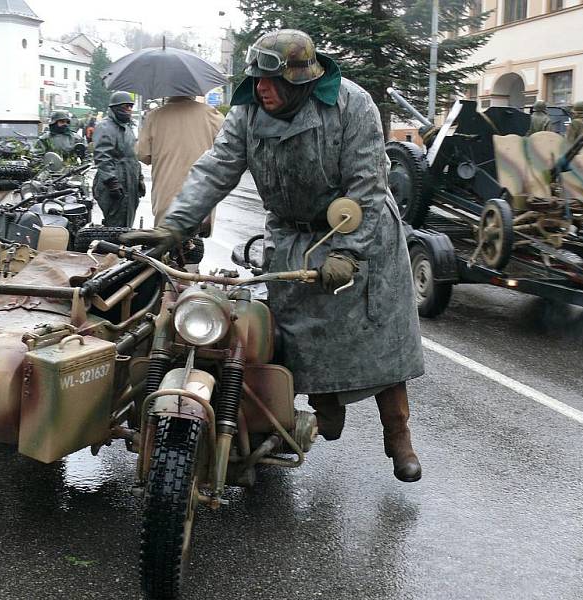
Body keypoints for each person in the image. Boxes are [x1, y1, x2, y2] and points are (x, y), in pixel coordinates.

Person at [121, 29, 425, 482]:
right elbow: (216, 168)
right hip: (291, 237)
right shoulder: (248, 112)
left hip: (359, 234)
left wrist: (347, 252)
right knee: (300, 340)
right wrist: (175, 225)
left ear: (300, 80)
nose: (260, 88)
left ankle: (397, 434)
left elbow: (367, 185)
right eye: (256, 79)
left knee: (378, 342)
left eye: (271, 79)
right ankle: (326, 412)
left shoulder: (352, 105)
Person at [137, 96, 224, 226]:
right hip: (200, 192)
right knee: (194, 240)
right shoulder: (211, 114)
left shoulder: (155, 116)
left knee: (165, 238)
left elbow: (142, 154)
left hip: (166, 193)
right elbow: (227, 149)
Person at [92, 91, 143, 227]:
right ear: (116, 107)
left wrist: (140, 178)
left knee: (127, 223)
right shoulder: (105, 127)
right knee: (115, 225)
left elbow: (133, 156)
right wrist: (111, 181)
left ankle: (123, 246)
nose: (129, 110)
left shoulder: (127, 128)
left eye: (131, 107)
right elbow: (102, 157)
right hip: (115, 184)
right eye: (126, 107)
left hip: (130, 182)